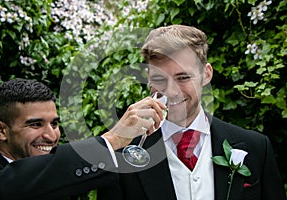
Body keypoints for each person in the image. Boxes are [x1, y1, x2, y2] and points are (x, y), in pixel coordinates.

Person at [97, 25, 286, 200]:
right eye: (159, 78)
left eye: (183, 77)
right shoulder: (121, 157)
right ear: (148, 78)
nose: (171, 91)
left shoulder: (256, 148)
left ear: (206, 74)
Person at [0, 78, 166, 200]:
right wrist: (112, 140)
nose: (51, 136)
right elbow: (8, 187)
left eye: (55, 124)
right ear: (0, 130)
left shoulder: (64, 176)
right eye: (35, 125)